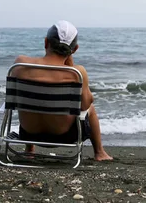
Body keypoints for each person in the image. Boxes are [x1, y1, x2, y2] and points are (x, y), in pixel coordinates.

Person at [12, 20, 113, 161]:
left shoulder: (20, 63)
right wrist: (71, 65)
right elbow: (85, 105)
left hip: (28, 133)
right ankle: (100, 152)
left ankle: (29, 150)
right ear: (75, 49)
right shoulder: (77, 73)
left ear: (46, 42)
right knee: (90, 107)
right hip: (65, 136)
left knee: (35, 99)